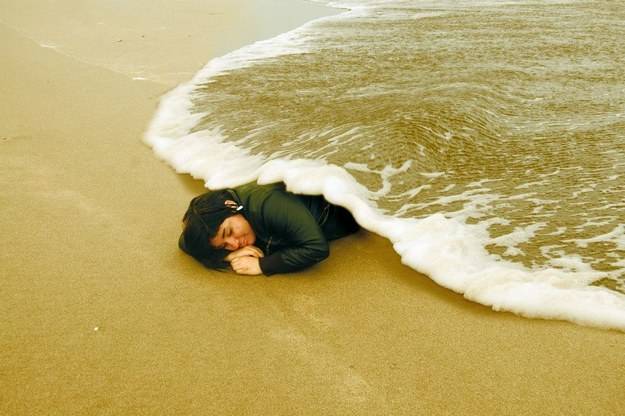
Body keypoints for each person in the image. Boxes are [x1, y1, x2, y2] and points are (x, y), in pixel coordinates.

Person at [178, 182, 360, 275]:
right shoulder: (233, 210)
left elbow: (316, 248)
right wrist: (227, 256)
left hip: (353, 207)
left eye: (229, 232)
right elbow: (185, 244)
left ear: (231, 206)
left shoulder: (267, 206)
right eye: (224, 245)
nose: (234, 244)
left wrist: (262, 265)